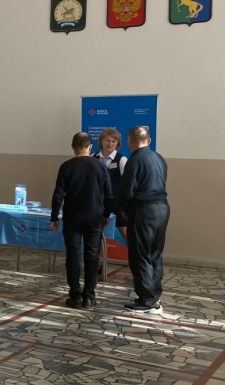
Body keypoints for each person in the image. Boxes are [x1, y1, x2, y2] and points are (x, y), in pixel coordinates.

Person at [49, 132, 113, 309]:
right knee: (92, 256)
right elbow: (109, 195)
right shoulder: (100, 166)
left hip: (72, 217)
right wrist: (106, 215)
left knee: (73, 255)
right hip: (94, 217)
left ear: (73, 147)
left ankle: (75, 295)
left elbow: (58, 194)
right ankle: (89, 296)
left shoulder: (66, 166)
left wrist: (54, 216)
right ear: (90, 147)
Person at [117, 126, 169, 314]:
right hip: (162, 208)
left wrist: (123, 208)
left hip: (144, 209)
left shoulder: (135, 160)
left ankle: (147, 301)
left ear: (130, 140)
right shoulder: (159, 158)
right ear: (149, 140)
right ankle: (155, 296)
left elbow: (127, 189)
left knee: (140, 254)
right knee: (155, 253)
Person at [93, 128, 128, 243]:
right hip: (97, 204)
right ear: (101, 142)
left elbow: (127, 184)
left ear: (117, 143)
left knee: (127, 234)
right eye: (107, 140)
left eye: (114, 141)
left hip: (116, 204)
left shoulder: (122, 160)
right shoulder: (93, 157)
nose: (110, 144)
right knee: (94, 236)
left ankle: (134, 255)